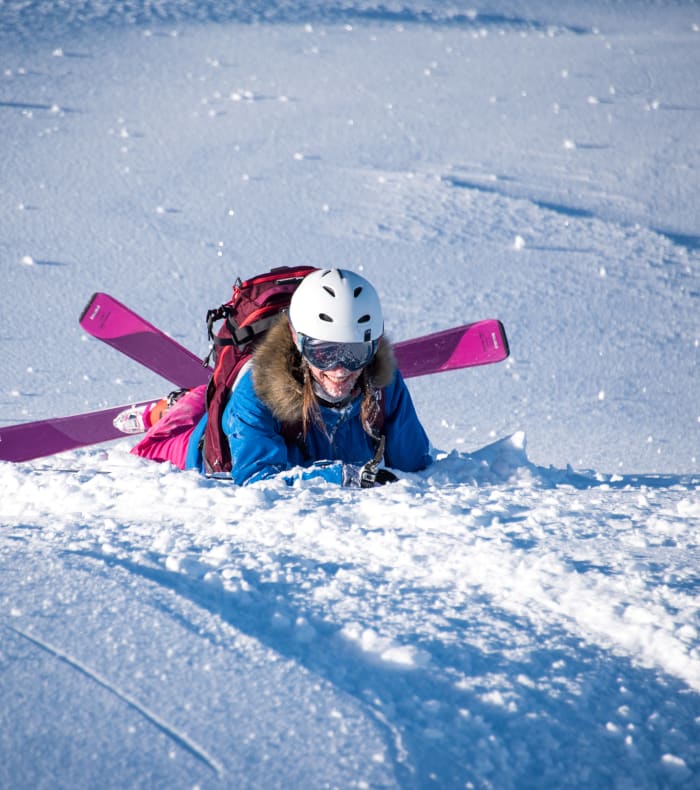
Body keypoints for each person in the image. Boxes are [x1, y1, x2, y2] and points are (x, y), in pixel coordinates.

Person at [128, 268, 432, 486]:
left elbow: (414, 462)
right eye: (324, 353)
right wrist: (343, 477)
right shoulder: (258, 388)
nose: (340, 370)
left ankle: (193, 398)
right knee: (155, 446)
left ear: (374, 345)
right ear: (299, 342)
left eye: (355, 353)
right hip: (199, 448)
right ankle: (168, 410)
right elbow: (258, 477)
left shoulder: (383, 383)